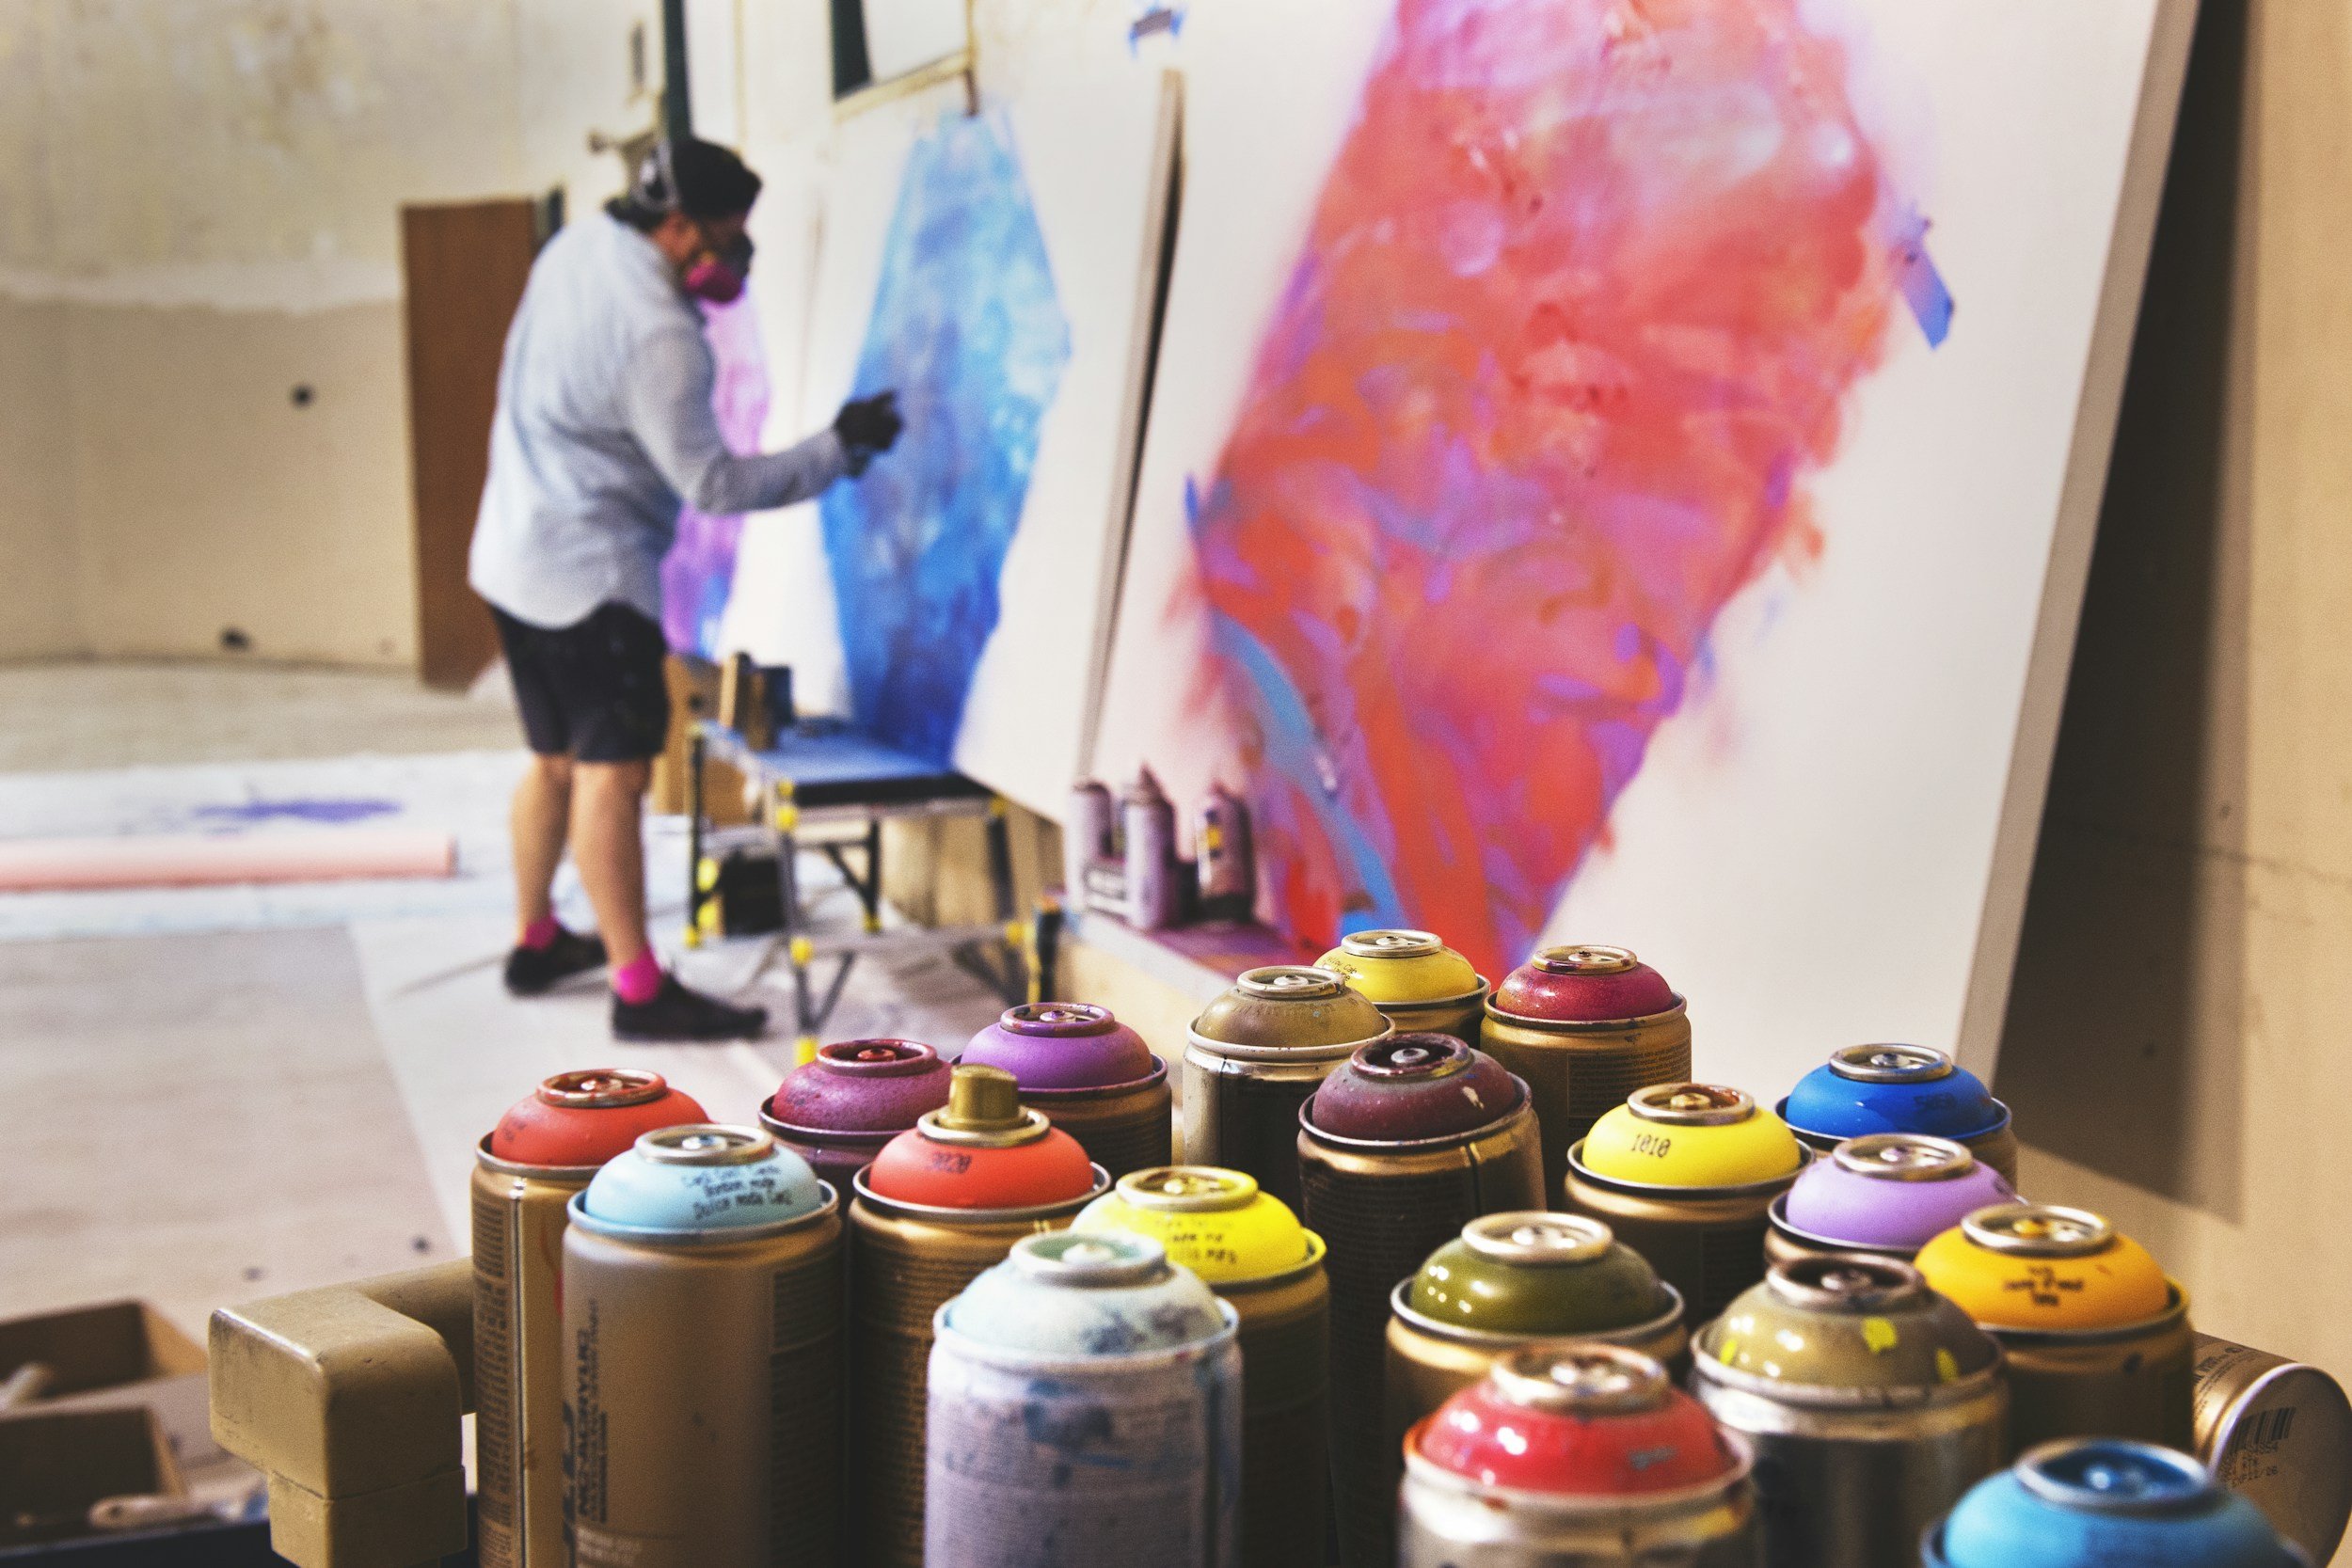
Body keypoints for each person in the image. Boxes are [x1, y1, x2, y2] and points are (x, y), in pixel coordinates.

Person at [469, 137, 903, 1041]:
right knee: (611, 776)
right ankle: (637, 989)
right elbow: (716, 486)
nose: (736, 255)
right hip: (590, 577)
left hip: (511, 553)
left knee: (552, 761)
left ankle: (537, 938)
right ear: (675, 227)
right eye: (725, 235)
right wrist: (837, 447)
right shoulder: (662, 338)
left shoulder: (575, 249)